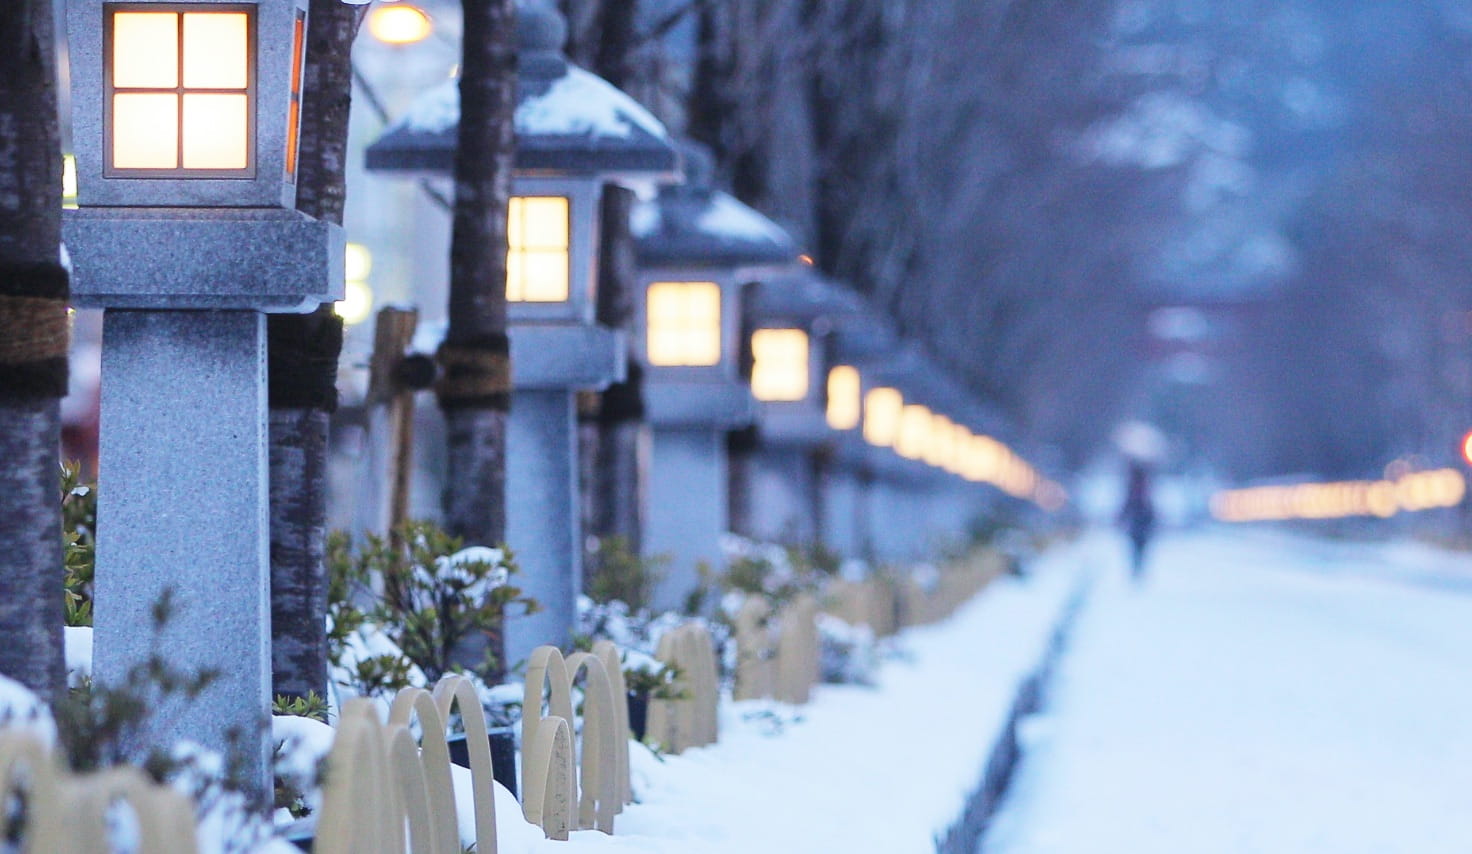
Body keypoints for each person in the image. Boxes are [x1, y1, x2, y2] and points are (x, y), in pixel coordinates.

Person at [1118, 460, 1156, 580]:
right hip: (1140, 523)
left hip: (1139, 523)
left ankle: (1137, 569)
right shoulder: (1143, 490)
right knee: (1138, 548)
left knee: (1137, 548)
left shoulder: (1137, 490)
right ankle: (1137, 569)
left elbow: (1127, 506)